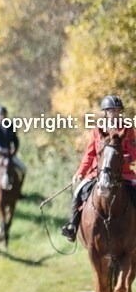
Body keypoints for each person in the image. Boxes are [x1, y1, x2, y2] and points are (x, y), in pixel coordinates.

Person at [61, 95, 136, 242]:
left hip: (124, 173)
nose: (115, 113)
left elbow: (134, 153)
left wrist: (121, 159)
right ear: (105, 112)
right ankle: (73, 227)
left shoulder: (128, 129)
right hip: (99, 173)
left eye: (117, 110)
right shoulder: (97, 130)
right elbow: (89, 154)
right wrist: (80, 172)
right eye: (112, 110)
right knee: (78, 192)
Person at [0, 106, 27, 185]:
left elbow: (15, 140)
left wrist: (14, 150)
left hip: (8, 154)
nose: (2, 116)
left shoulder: (10, 126)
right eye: (0, 114)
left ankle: (19, 191)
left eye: (3, 114)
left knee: (23, 169)